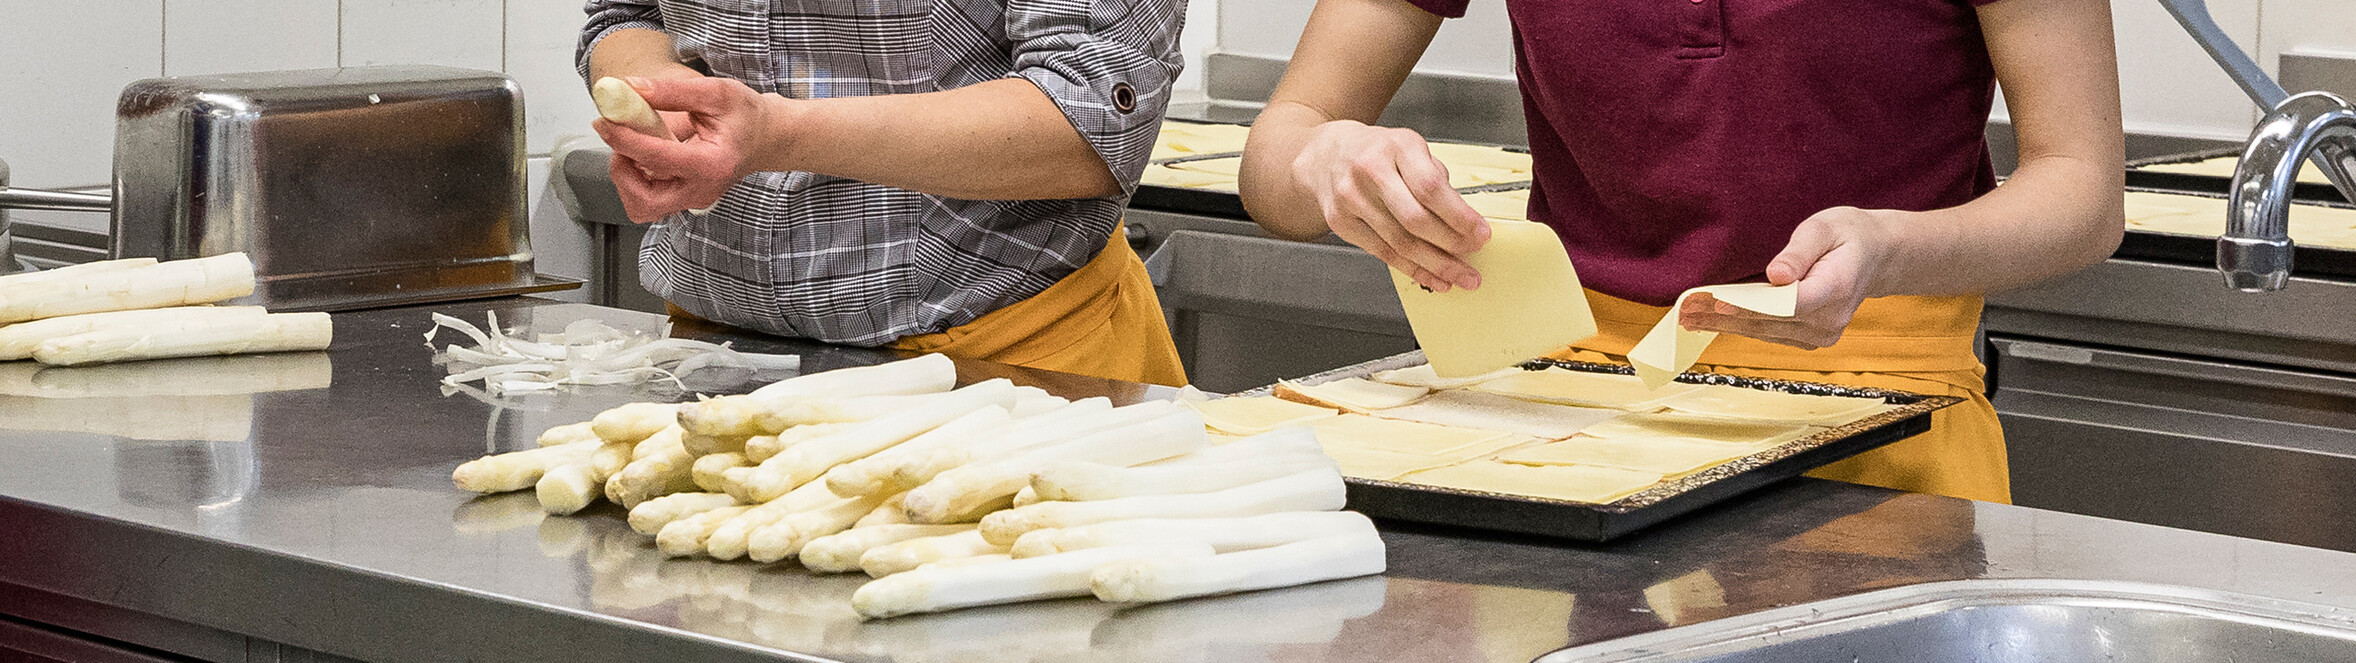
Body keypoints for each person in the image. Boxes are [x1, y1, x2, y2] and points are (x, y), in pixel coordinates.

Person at [1238, 0, 2126, 502]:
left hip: (1881, 433)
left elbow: (2083, 191)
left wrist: (1891, 245)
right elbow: (1276, 154)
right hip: (1558, 436)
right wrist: (1327, 159)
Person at [576, 0, 1190, 387]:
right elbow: (628, 15)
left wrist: (777, 134)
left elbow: (1087, 123)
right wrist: (669, 101)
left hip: (1006, 367)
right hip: (715, 359)